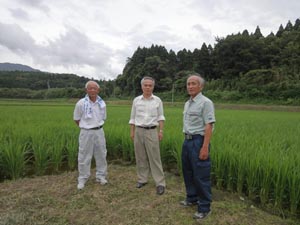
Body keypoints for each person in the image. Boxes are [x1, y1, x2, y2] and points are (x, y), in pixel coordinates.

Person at [180, 74, 216, 220]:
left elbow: (209, 125)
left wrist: (205, 146)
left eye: (193, 83)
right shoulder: (188, 103)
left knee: (201, 175)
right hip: (187, 141)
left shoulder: (206, 102)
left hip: (198, 141)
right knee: (188, 172)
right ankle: (192, 198)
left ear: (201, 86)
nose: (190, 86)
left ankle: (204, 207)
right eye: (188, 84)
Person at [129, 76, 166, 195]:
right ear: (142, 86)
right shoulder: (136, 100)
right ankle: (142, 179)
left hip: (152, 131)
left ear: (153, 87)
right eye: (146, 85)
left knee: (155, 157)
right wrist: (132, 131)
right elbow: (133, 117)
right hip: (139, 130)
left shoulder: (157, 100)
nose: (148, 87)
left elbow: (160, 117)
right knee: (140, 156)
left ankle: (160, 183)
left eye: (150, 85)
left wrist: (161, 131)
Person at [73, 80, 108, 190]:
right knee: (84, 155)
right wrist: (86, 126)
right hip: (86, 132)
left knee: (101, 154)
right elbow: (77, 119)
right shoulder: (81, 103)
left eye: (94, 88)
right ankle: (83, 178)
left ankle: (101, 176)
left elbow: (103, 118)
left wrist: (95, 126)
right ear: (86, 90)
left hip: (99, 131)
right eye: (90, 88)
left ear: (98, 90)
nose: (92, 90)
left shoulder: (102, 103)